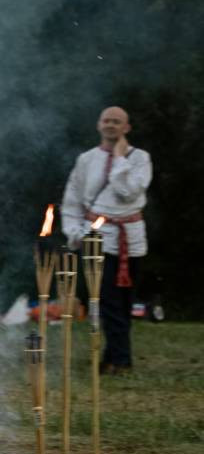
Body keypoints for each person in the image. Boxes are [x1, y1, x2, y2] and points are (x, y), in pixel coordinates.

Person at [61, 106, 152, 376]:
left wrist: (120, 158)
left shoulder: (140, 158)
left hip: (131, 238)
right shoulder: (86, 159)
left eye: (117, 122)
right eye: (106, 121)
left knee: (123, 302)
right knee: (108, 301)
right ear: (99, 125)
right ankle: (121, 361)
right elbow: (72, 199)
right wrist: (74, 232)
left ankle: (113, 358)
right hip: (96, 238)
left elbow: (128, 191)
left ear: (127, 128)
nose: (111, 125)